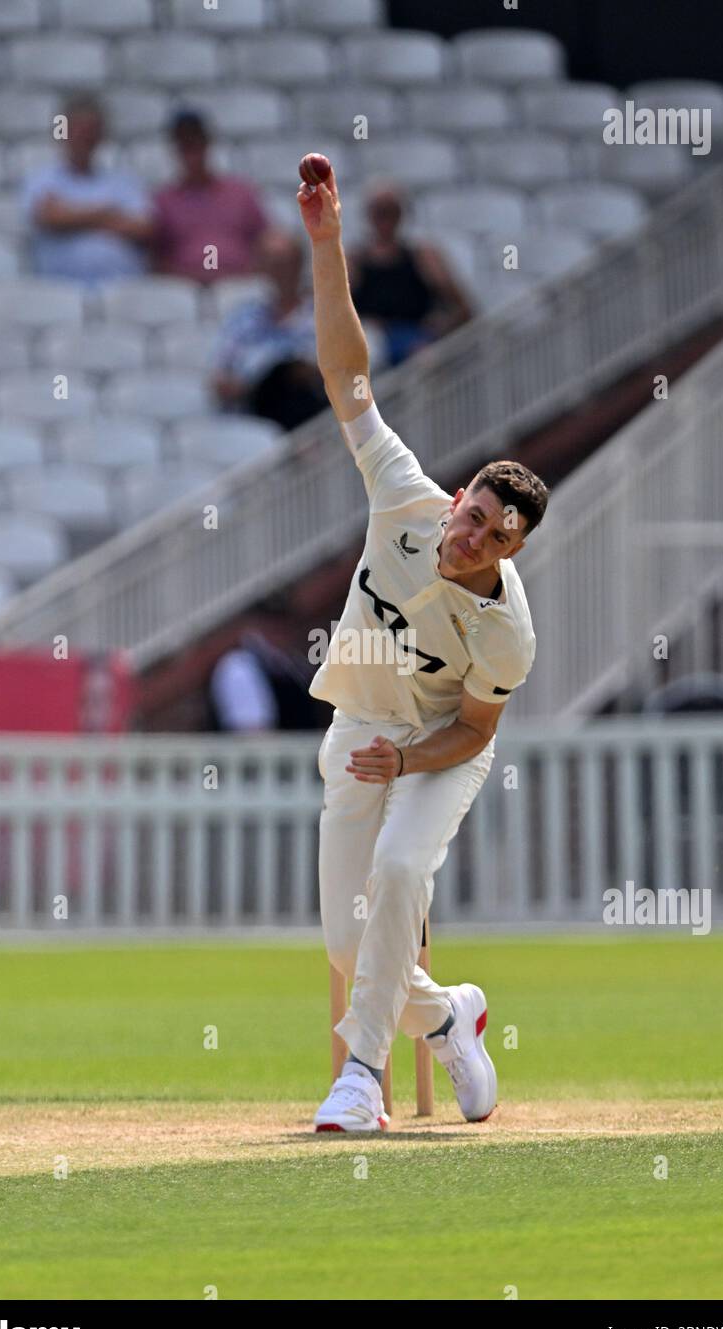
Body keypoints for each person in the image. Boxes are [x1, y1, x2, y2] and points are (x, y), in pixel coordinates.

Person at [298, 162, 549, 1133]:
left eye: (493, 537)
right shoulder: (405, 495)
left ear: (510, 550)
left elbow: (474, 730)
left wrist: (407, 758)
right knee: (343, 942)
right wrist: (327, 249)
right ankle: (449, 1016)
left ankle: (358, 1080)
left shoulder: (507, 630)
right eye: (473, 515)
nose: (470, 538)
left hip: (441, 745)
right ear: (457, 499)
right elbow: (344, 377)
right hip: (361, 723)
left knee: (400, 873)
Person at [21, 96, 152, 286]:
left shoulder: (123, 182)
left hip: (121, 289)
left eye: (90, 131)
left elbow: (143, 228)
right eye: (77, 130)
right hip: (61, 292)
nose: (83, 138)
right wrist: (108, 214)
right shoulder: (42, 179)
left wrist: (72, 215)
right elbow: (49, 217)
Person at [347, 179, 474, 366]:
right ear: (369, 215)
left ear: (401, 214)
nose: (384, 219)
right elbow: (333, 312)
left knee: (426, 359)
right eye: (379, 212)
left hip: (415, 340)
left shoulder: (424, 257)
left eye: (390, 211)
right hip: (371, 340)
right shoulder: (353, 261)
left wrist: (441, 325)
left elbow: (462, 307)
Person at [211, 228, 328, 430]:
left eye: (285, 264)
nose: (279, 272)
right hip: (253, 412)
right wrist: (240, 386)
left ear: (299, 265)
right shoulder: (242, 318)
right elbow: (219, 376)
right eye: (272, 264)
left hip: (310, 414)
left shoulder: (324, 316)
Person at [152, 109, 270, 284]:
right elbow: (155, 257)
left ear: (207, 144)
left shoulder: (240, 193)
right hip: (184, 289)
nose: (191, 155)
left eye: (195, 145)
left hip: (240, 284)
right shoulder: (163, 200)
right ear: (176, 150)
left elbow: (264, 239)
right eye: (185, 147)